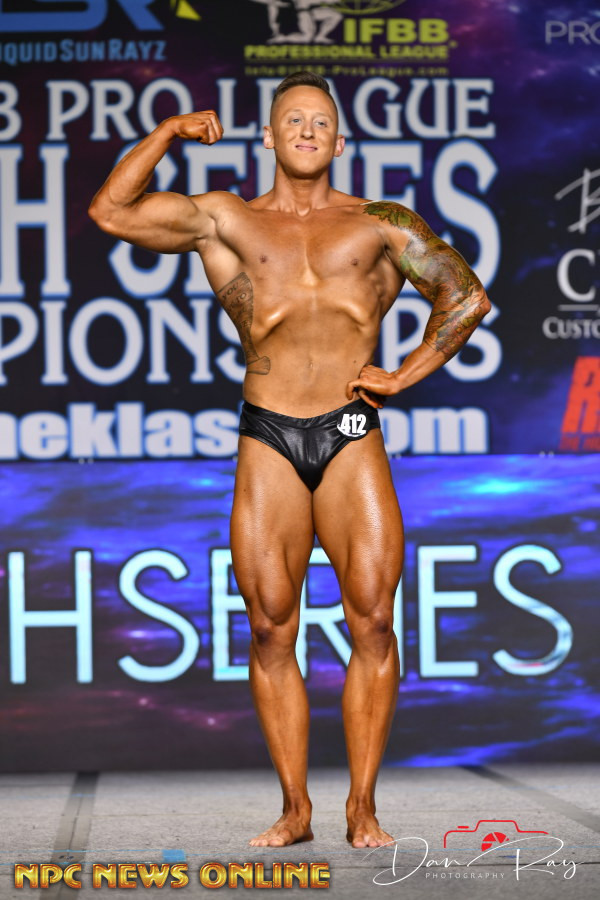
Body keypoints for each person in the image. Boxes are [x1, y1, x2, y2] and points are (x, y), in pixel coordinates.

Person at [88, 71, 491, 849]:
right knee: (272, 629)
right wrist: (167, 132)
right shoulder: (225, 218)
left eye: (320, 122)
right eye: (293, 120)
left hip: (351, 432)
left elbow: (465, 295)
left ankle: (362, 808)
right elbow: (111, 210)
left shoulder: (380, 222)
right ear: (268, 137)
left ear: (339, 141)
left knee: (374, 621)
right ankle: (296, 809)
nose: (306, 131)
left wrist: (405, 374)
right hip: (268, 433)